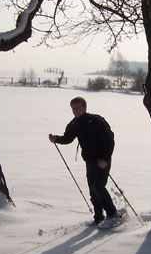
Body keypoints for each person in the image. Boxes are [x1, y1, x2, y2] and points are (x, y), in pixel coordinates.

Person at [49, 97, 121, 226]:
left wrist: (105, 159)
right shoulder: (74, 124)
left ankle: (113, 213)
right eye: (73, 108)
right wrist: (56, 139)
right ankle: (98, 216)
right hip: (90, 161)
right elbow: (67, 138)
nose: (75, 111)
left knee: (98, 186)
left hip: (102, 160)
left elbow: (109, 140)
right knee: (92, 190)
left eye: (78, 107)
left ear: (84, 107)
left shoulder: (96, 120)